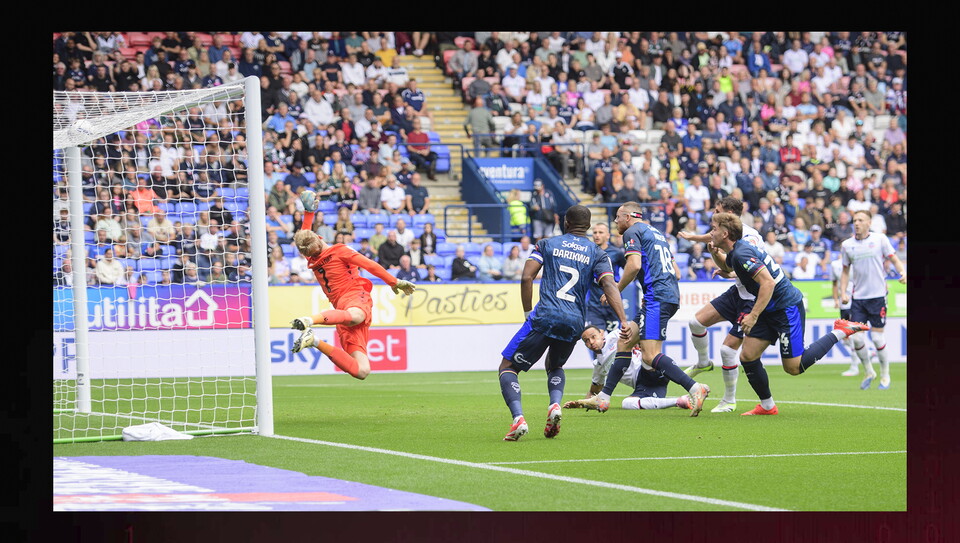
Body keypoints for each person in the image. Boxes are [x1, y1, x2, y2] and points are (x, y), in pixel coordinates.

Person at [708, 212, 870, 415]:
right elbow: (731, 265)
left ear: (724, 233)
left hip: (785, 307)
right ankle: (767, 406)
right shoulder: (736, 252)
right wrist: (715, 254)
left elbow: (767, 282)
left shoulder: (741, 253)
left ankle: (839, 331)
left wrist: (754, 315)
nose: (710, 232)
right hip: (769, 308)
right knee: (748, 356)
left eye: (713, 228)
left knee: (793, 367)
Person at [498, 205, 627, 441]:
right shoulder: (598, 253)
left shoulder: (547, 244)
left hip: (545, 315)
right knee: (555, 366)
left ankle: (518, 419)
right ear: (588, 227)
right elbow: (609, 285)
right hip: (574, 322)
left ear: (566, 222)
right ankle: (555, 406)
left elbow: (527, 276)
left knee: (507, 367)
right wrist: (623, 320)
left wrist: (528, 312)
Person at [592, 202, 711, 416]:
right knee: (625, 340)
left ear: (628, 217)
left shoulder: (632, 231)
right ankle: (604, 397)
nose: (616, 221)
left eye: (618, 217)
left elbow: (635, 265)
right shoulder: (656, 233)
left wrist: (615, 291)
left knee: (649, 356)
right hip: (666, 295)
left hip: (656, 297)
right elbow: (677, 272)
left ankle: (695, 388)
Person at [289, 190, 416, 380]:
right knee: (356, 316)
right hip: (354, 299)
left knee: (361, 371)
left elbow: (304, 235)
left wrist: (308, 213)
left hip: (340, 311)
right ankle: (310, 320)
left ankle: (313, 340)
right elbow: (369, 264)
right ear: (319, 238)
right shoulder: (340, 250)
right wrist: (394, 281)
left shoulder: (311, 257)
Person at [840, 210, 907, 390]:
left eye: (861, 220)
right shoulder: (847, 245)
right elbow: (845, 270)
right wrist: (843, 292)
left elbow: (894, 258)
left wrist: (903, 272)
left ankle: (885, 375)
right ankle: (869, 371)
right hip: (858, 298)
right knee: (856, 340)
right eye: (855, 220)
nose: (857, 223)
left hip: (877, 297)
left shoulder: (880, 240)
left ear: (869, 223)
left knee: (877, 338)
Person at [565, 326, 692, 412]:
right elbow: (594, 393)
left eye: (593, 337)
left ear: (602, 334)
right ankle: (680, 401)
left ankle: (695, 377)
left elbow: (637, 332)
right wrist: (580, 403)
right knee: (627, 403)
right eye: (586, 341)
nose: (591, 342)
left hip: (648, 368)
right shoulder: (598, 365)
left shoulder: (615, 336)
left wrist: (638, 344)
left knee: (647, 357)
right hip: (644, 386)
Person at [831, 255, 878, 378]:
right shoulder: (835, 265)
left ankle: (854, 366)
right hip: (844, 303)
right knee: (845, 337)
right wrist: (836, 299)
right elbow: (835, 283)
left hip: (856, 302)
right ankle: (868, 353)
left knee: (852, 335)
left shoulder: (857, 262)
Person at [584, 222, 626, 334]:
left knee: (614, 340)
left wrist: (619, 285)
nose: (597, 235)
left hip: (613, 304)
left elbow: (629, 271)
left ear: (608, 235)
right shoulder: (587, 253)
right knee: (596, 340)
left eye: (600, 232)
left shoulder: (616, 253)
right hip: (594, 305)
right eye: (595, 232)